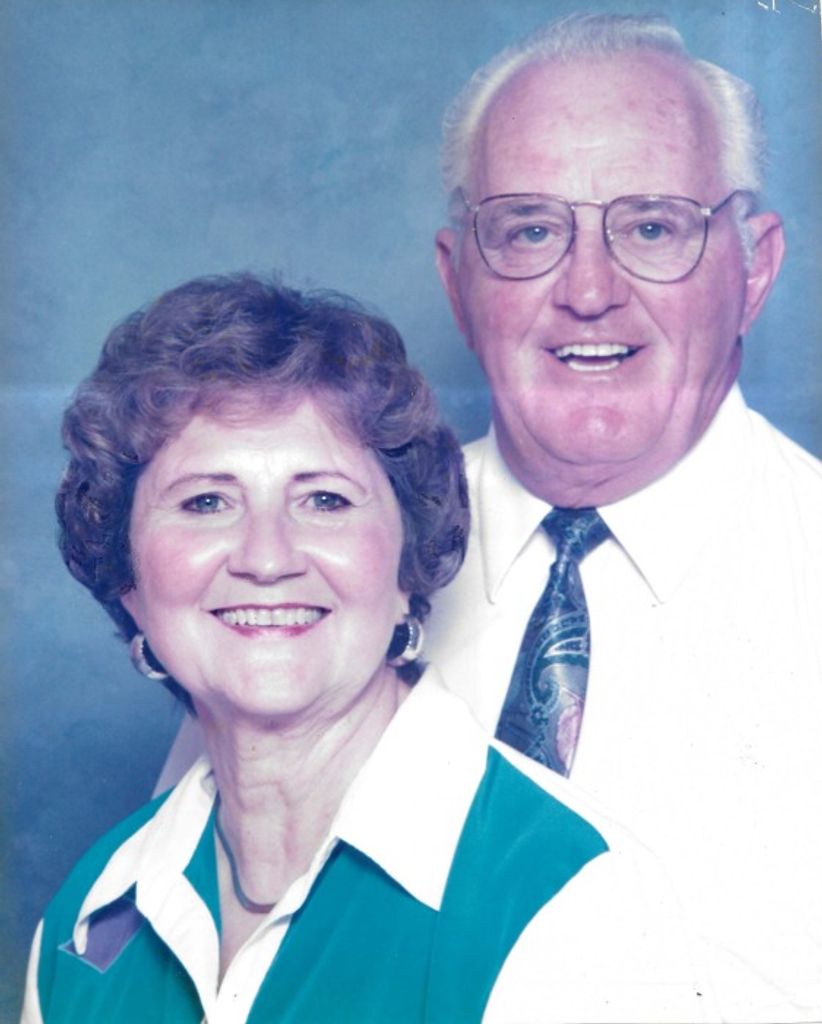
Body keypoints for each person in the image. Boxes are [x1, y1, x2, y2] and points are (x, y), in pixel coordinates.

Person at [23, 273, 703, 1023]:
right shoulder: (89, 915)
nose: (267, 557)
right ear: (128, 580)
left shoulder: (567, 900)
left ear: (409, 566)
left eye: (325, 500)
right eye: (206, 501)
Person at [427, 11, 822, 1023]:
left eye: (652, 227)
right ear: (458, 279)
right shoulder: (328, 569)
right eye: (529, 229)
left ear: (755, 268)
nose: (590, 290)